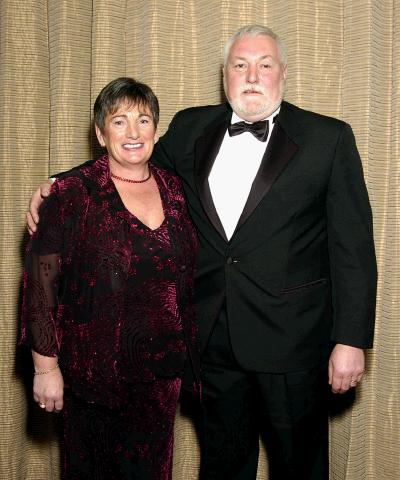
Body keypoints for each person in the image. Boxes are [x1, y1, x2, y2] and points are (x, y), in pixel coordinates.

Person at [27, 25, 377, 480]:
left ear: (284, 74)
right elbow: (131, 160)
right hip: (211, 342)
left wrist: (350, 340)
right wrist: (60, 183)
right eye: (240, 65)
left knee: (300, 466)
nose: (252, 75)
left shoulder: (328, 139)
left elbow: (353, 248)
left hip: (294, 344)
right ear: (225, 75)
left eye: (264, 65)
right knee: (223, 465)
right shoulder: (191, 127)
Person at [21, 77, 199, 480]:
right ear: (100, 133)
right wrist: (46, 369)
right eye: (119, 122)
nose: (133, 132)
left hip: (161, 377)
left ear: (156, 128)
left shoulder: (176, 189)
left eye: (144, 119)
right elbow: (40, 288)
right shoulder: (69, 193)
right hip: (93, 378)